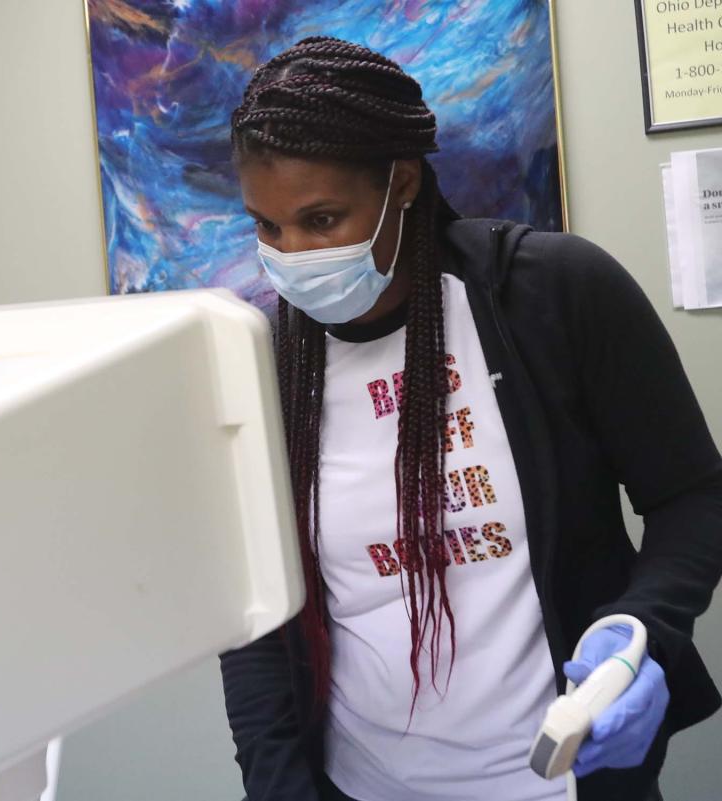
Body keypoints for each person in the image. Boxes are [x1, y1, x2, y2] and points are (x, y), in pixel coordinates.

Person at [218, 36, 722, 801]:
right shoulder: (267, 363)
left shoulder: (551, 294)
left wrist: (642, 630)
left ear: (404, 183)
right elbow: (257, 611)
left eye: (321, 219)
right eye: (266, 227)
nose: (292, 256)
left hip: (564, 783)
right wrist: (276, 780)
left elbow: (694, 495)